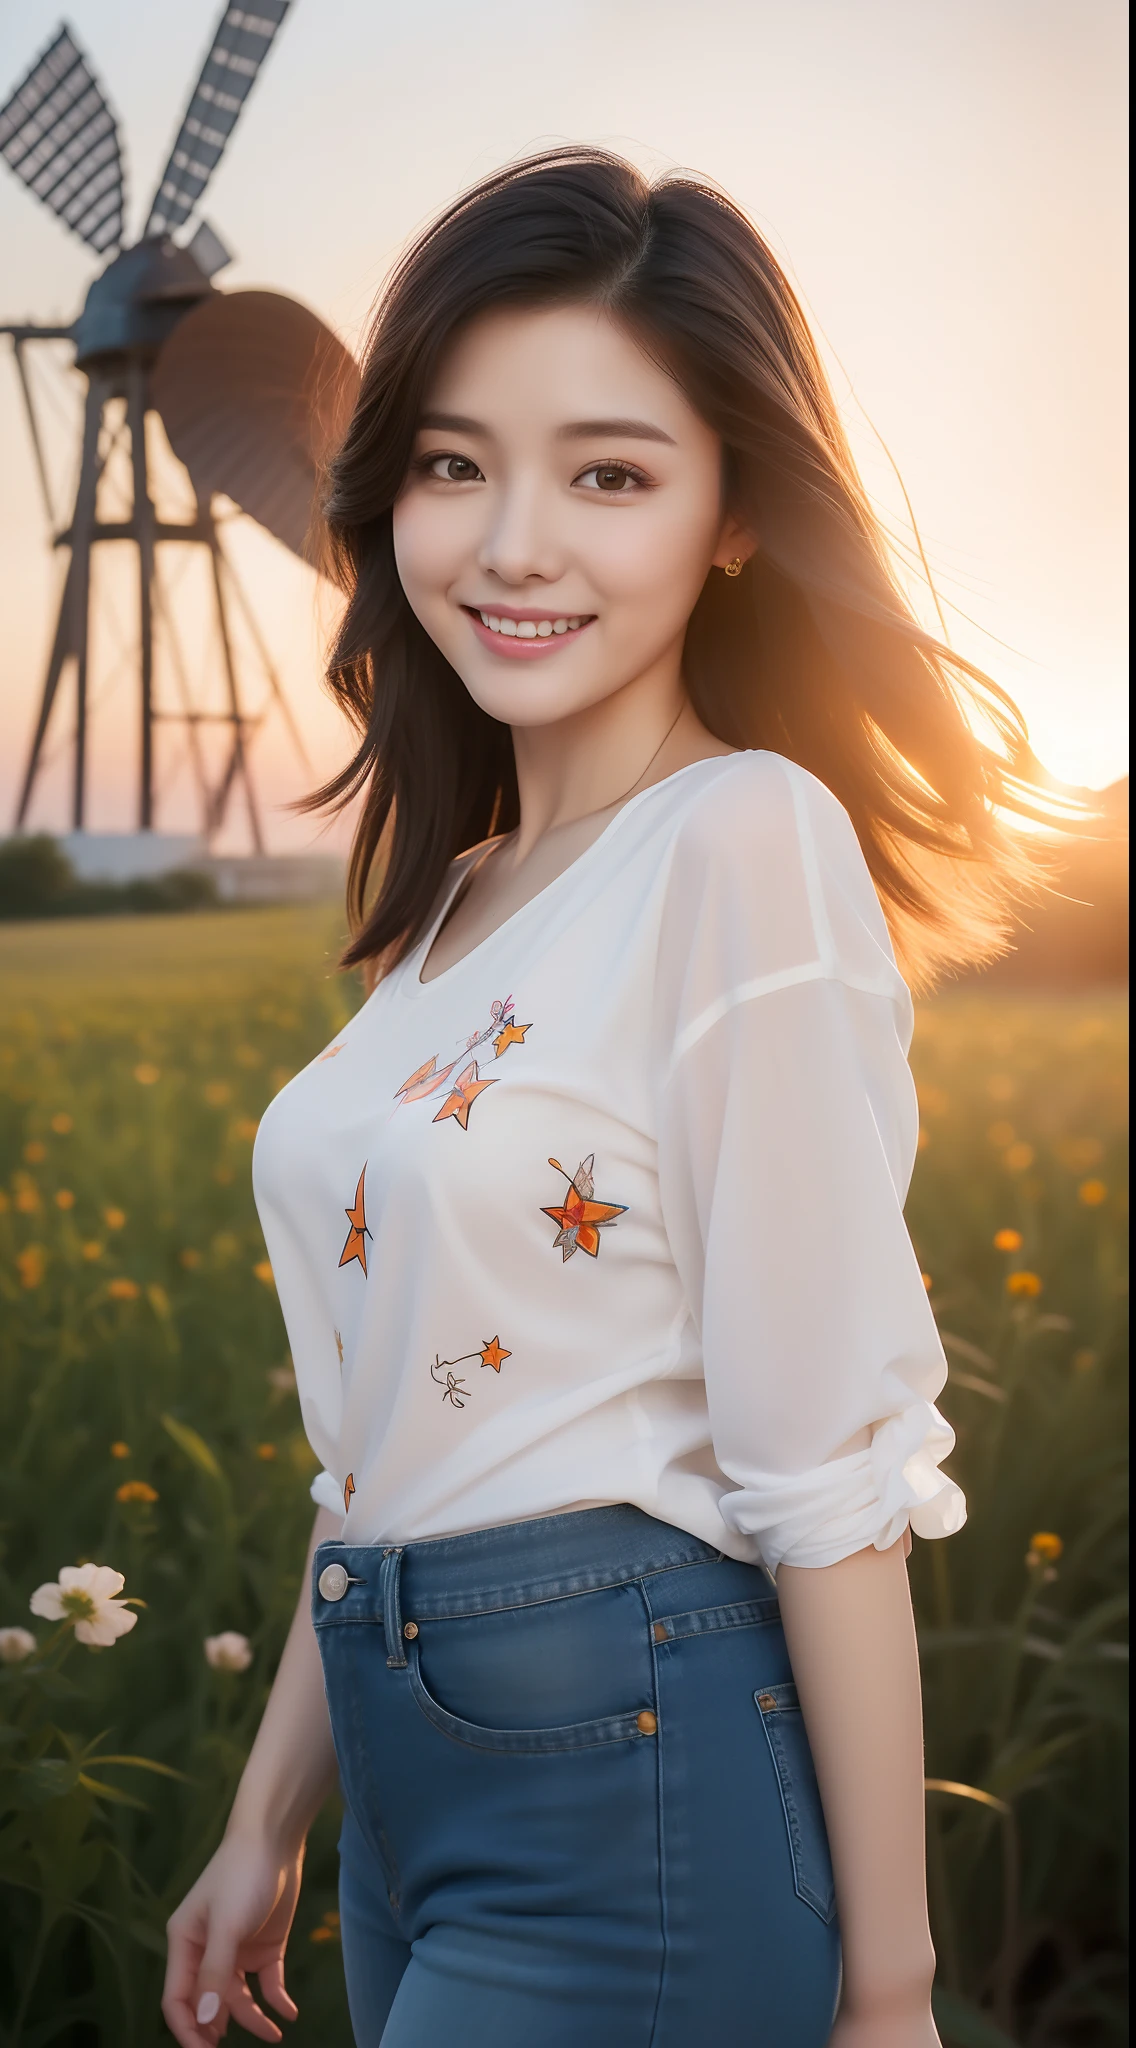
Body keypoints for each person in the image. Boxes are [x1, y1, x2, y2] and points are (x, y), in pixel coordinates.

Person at [162, 149, 1048, 2048]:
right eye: (455, 464)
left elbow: (826, 1472)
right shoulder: (448, 910)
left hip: (632, 1771)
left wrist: (887, 1998)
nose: (511, 546)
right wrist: (266, 1821)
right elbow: (382, 1441)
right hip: (410, 1785)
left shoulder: (745, 843)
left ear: (734, 513)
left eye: (613, 474)